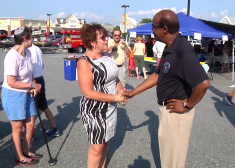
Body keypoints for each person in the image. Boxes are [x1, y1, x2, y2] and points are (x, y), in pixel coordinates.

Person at [123, 10, 210, 168]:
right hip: (167, 111)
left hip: (176, 114)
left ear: (164, 29)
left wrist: (186, 105)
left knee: (173, 162)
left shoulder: (183, 50)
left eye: (154, 27)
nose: (152, 31)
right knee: (168, 158)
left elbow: (203, 83)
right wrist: (133, 93)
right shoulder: (170, 48)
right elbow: (157, 75)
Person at [77, 24, 126, 168]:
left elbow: (114, 77)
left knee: (106, 142)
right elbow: (87, 92)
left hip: (110, 107)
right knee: (97, 148)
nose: (107, 39)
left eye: (107, 36)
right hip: (94, 109)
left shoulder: (105, 55)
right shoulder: (84, 62)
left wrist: (122, 91)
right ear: (92, 42)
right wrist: (115, 97)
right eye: (103, 37)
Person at [1, 27, 42, 165]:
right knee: (18, 127)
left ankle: (26, 150)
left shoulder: (28, 52)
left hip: (27, 92)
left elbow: (30, 73)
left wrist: (34, 84)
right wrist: (32, 85)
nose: (33, 39)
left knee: (30, 124)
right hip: (13, 94)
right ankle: (19, 156)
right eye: (31, 36)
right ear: (25, 38)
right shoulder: (12, 56)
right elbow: (11, 82)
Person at [28, 44, 60, 137]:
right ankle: (54, 128)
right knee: (44, 106)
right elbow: (42, 66)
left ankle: (31, 135)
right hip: (40, 79)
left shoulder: (27, 50)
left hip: (32, 80)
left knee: (31, 108)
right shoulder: (37, 49)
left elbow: (30, 69)